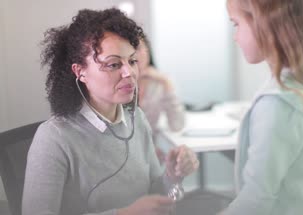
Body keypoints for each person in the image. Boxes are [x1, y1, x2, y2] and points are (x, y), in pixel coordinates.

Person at [22, 8, 199, 215]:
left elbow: (153, 196)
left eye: (132, 61)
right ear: (81, 72)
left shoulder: (137, 120)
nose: (129, 73)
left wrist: (172, 175)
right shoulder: (54, 137)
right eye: (114, 64)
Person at [220, 0, 303, 214]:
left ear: (264, 24)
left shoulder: (278, 104)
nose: (235, 36)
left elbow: (255, 201)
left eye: (236, 24)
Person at [136, 37, 185, 163]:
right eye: (130, 49)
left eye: (139, 48)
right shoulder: (119, 84)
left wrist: (166, 82)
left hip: (152, 156)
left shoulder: (159, 83)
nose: (136, 55)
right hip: (126, 154)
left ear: (148, 50)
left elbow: (177, 125)